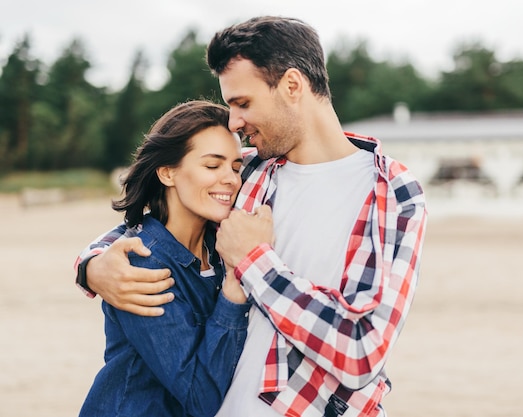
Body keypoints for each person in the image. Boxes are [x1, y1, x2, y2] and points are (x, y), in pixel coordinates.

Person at [75, 16, 427, 417]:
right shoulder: (248, 170)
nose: (234, 121)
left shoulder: (392, 193)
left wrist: (255, 262)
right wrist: (92, 265)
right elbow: (158, 218)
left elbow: (362, 352)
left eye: (242, 103)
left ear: (292, 86)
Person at [77, 100, 251, 417]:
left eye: (236, 167)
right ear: (168, 172)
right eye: (212, 166)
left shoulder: (221, 248)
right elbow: (202, 398)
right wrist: (235, 284)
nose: (231, 179)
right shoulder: (143, 263)